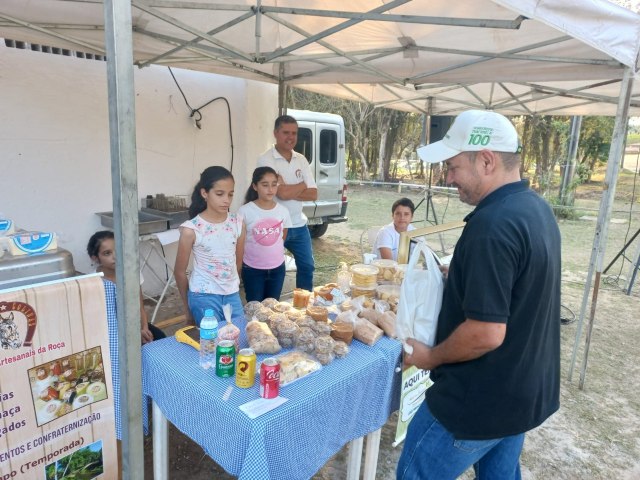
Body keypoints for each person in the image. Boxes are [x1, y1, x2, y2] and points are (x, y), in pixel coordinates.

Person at [397, 110, 561, 479]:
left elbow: (487, 332)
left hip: (474, 402)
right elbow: (521, 285)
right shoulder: (535, 208)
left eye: (453, 166)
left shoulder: (492, 225)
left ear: (486, 160)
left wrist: (431, 357)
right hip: (519, 393)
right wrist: (463, 277)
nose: (448, 176)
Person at [174, 166, 245, 326]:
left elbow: (238, 262)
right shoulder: (191, 229)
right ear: (204, 193)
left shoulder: (237, 223)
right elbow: (179, 272)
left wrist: (231, 286)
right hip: (203, 295)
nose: (226, 199)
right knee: (214, 343)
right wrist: (188, 309)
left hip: (231, 294)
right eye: (219, 194)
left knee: (238, 336)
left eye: (230, 194)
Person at [257, 115, 318, 290]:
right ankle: (268, 305)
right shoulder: (265, 159)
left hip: (299, 224)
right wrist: (301, 185)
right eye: (286, 132)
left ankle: (303, 303)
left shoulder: (301, 159)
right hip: (274, 225)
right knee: (273, 269)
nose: (290, 137)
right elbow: (280, 193)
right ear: (276, 133)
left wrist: (286, 189)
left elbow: (313, 194)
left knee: (307, 266)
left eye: (294, 133)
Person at [86, 230, 166, 343]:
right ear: (95, 258)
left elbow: (139, 306)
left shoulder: (132, 273)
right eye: (107, 253)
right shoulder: (91, 282)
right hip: (109, 332)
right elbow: (95, 320)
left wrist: (144, 328)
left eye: (118, 250)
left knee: (160, 339)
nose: (115, 256)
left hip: (133, 325)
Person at [238, 166, 293, 302]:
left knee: (272, 307)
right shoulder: (244, 211)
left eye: (274, 185)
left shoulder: (283, 211)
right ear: (255, 186)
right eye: (265, 185)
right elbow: (239, 243)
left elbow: (282, 237)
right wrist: (237, 269)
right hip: (252, 270)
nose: (270, 189)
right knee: (255, 308)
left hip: (277, 269)